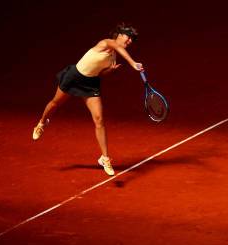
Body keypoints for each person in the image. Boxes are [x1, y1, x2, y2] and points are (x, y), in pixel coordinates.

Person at [32, 23, 144, 176]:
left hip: (90, 84)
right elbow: (119, 48)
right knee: (55, 103)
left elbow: (99, 73)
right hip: (74, 77)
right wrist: (133, 63)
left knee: (99, 119)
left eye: (133, 39)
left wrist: (109, 71)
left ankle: (105, 158)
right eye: (129, 37)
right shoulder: (106, 43)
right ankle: (42, 123)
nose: (130, 41)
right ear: (119, 35)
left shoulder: (113, 56)